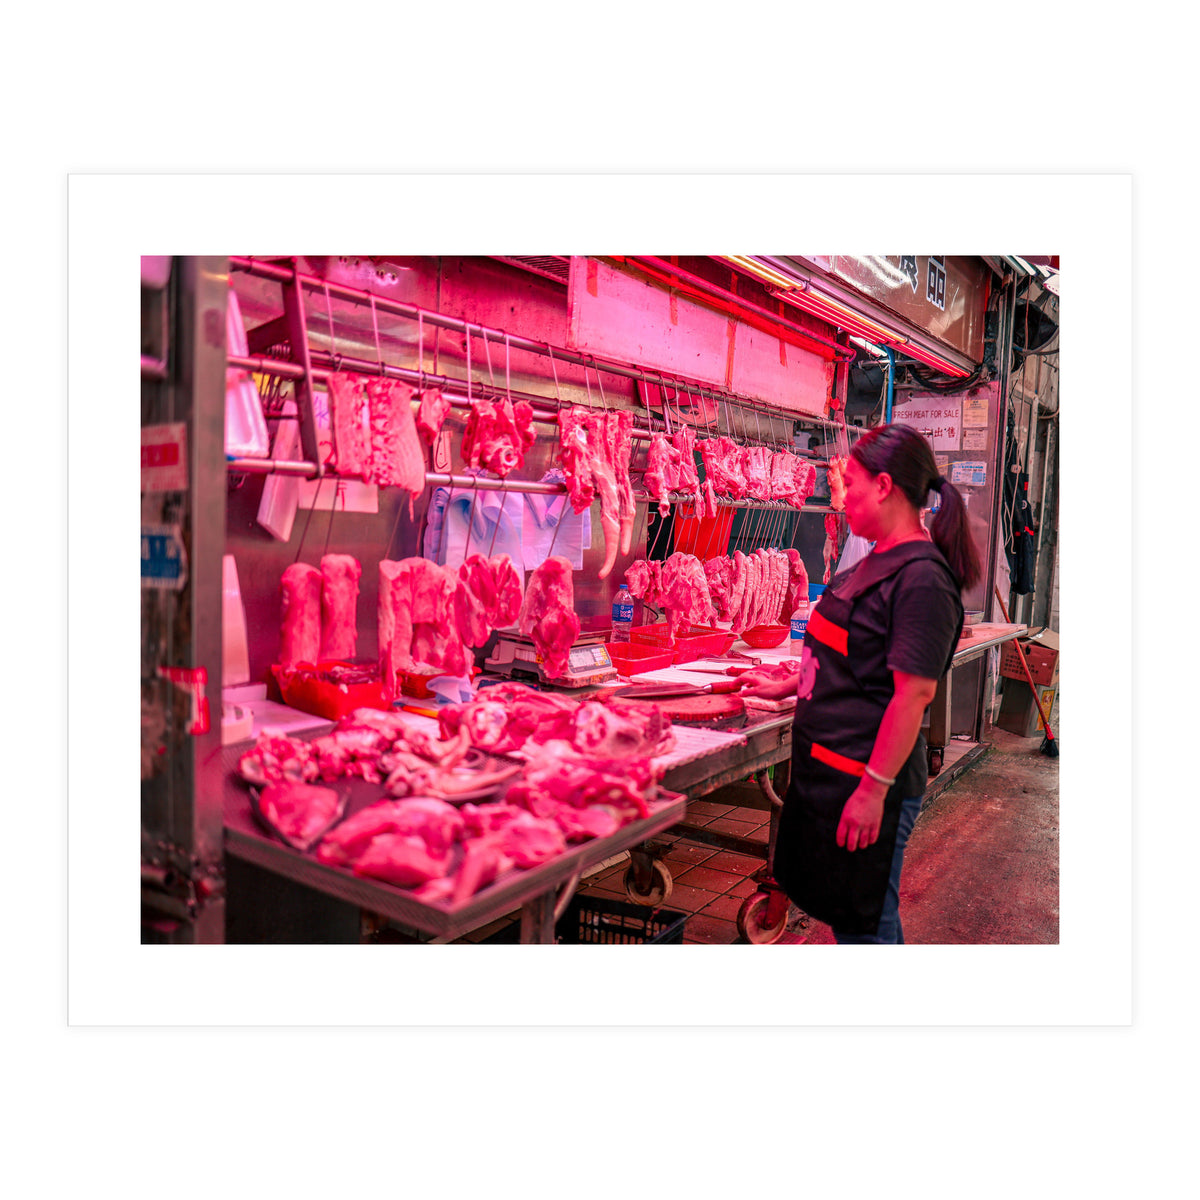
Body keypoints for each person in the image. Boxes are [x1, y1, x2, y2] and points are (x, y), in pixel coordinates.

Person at [741, 424, 981, 943]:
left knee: (865, 923)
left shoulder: (922, 579)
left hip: (865, 778)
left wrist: (873, 791)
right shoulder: (877, 557)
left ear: (884, 485)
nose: (839, 495)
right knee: (844, 913)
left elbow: (912, 695)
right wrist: (787, 685)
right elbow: (852, 654)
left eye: (849, 482)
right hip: (828, 774)